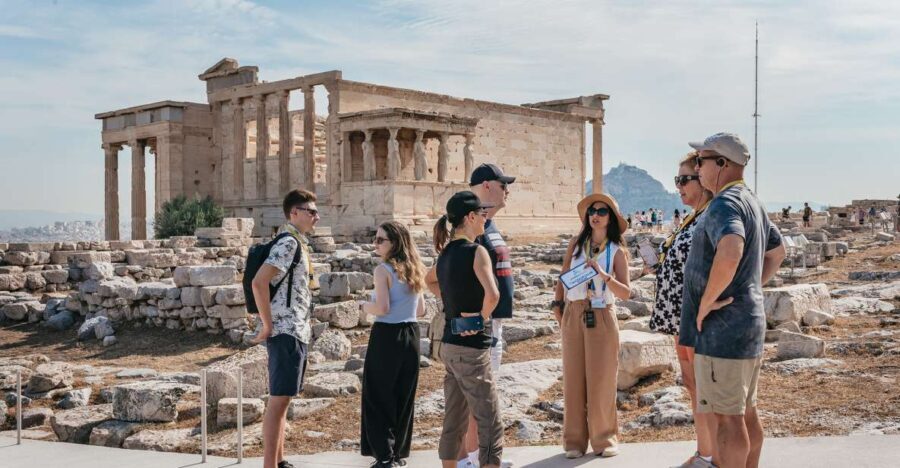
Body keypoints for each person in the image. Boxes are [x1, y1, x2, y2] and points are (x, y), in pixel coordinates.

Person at [680, 133, 786, 468]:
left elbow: (731, 249)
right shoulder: (752, 201)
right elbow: (778, 252)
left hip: (722, 328)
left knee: (727, 419)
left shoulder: (724, 203)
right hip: (746, 321)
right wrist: (748, 286)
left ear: (722, 163)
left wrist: (707, 301)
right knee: (745, 412)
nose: (697, 168)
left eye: (701, 161)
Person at [425, 191, 506, 468]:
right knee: (489, 419)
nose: (485, 219)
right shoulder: (477, 251)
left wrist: (450, 301)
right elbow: (493, 295)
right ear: (470, 217)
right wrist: (478, 320)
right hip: (472, 348)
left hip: (449, 345)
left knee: (454, 417)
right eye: (482, 214)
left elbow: (429, 280)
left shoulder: (445, 253)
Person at [550, 193, 632, 459]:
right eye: (592, 211)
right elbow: (563, 277)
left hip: (602, 313)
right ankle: (574, 441)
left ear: (611, 218)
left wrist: (604, 275)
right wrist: (557, 305)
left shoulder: (616, 251)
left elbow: (625, 292)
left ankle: (604, 439)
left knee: (602, 379)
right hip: (574, 313)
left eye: (601, 211)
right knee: (573, 378)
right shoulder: (576, 244)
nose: (595, 215)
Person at [650, 153, 716, 468]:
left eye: (683, 179)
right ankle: (704, 451)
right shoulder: (691, 217)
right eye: (677, 180)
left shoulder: (712, 215)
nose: (678, 186)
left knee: (705, 389)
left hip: (697, 316)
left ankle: (714, 454)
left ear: (702, 179)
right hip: (679, 318)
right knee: (692, 386)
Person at [251, 189, 319, 468]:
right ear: (294, 212)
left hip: (296, 328)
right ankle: (270, 464)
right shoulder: (289, 242)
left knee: (284, 399)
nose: (316, 216)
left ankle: (279, 460)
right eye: (311, 211)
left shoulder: (297, 242)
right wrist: (268, 325)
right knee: (278, 400)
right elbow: (259, 282)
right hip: (285, 329)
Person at [457, 163, 516, 468]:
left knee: (484, 393)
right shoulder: (472, 227)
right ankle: (470, 459)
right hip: (483, 322)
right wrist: (476, 319)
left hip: (494, 322)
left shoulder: (488, 225)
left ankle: (477, 457)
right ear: (487, 186)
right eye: (503, 185)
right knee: (477, 394)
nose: (507, 191)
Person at [360, 221, 427, 468]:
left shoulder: (383, 270)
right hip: (411, 334)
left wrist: (363, 305)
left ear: (395, 243)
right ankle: (397, 454)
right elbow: (420, 310)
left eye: (381, 240)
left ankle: (384, 456)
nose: (375, 244)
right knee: (403, 395)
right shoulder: (415, 268)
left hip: (387, 335)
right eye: (375, 239)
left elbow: (382, 308)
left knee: (377, 396)